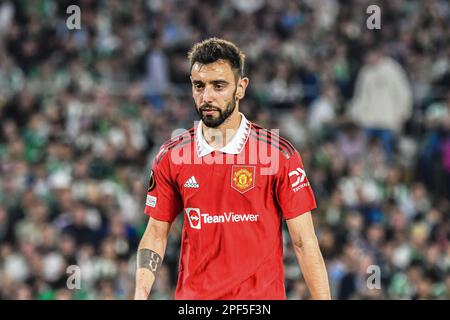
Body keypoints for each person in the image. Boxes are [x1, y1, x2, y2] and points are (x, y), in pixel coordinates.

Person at [134, 38, 331, 300]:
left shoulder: (278, 154)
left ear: (241, 88)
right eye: (199, 86)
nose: (207, 97)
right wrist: (140, 294)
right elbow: (156, 234)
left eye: (219, 86)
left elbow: (304, 242)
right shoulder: (171, 156)